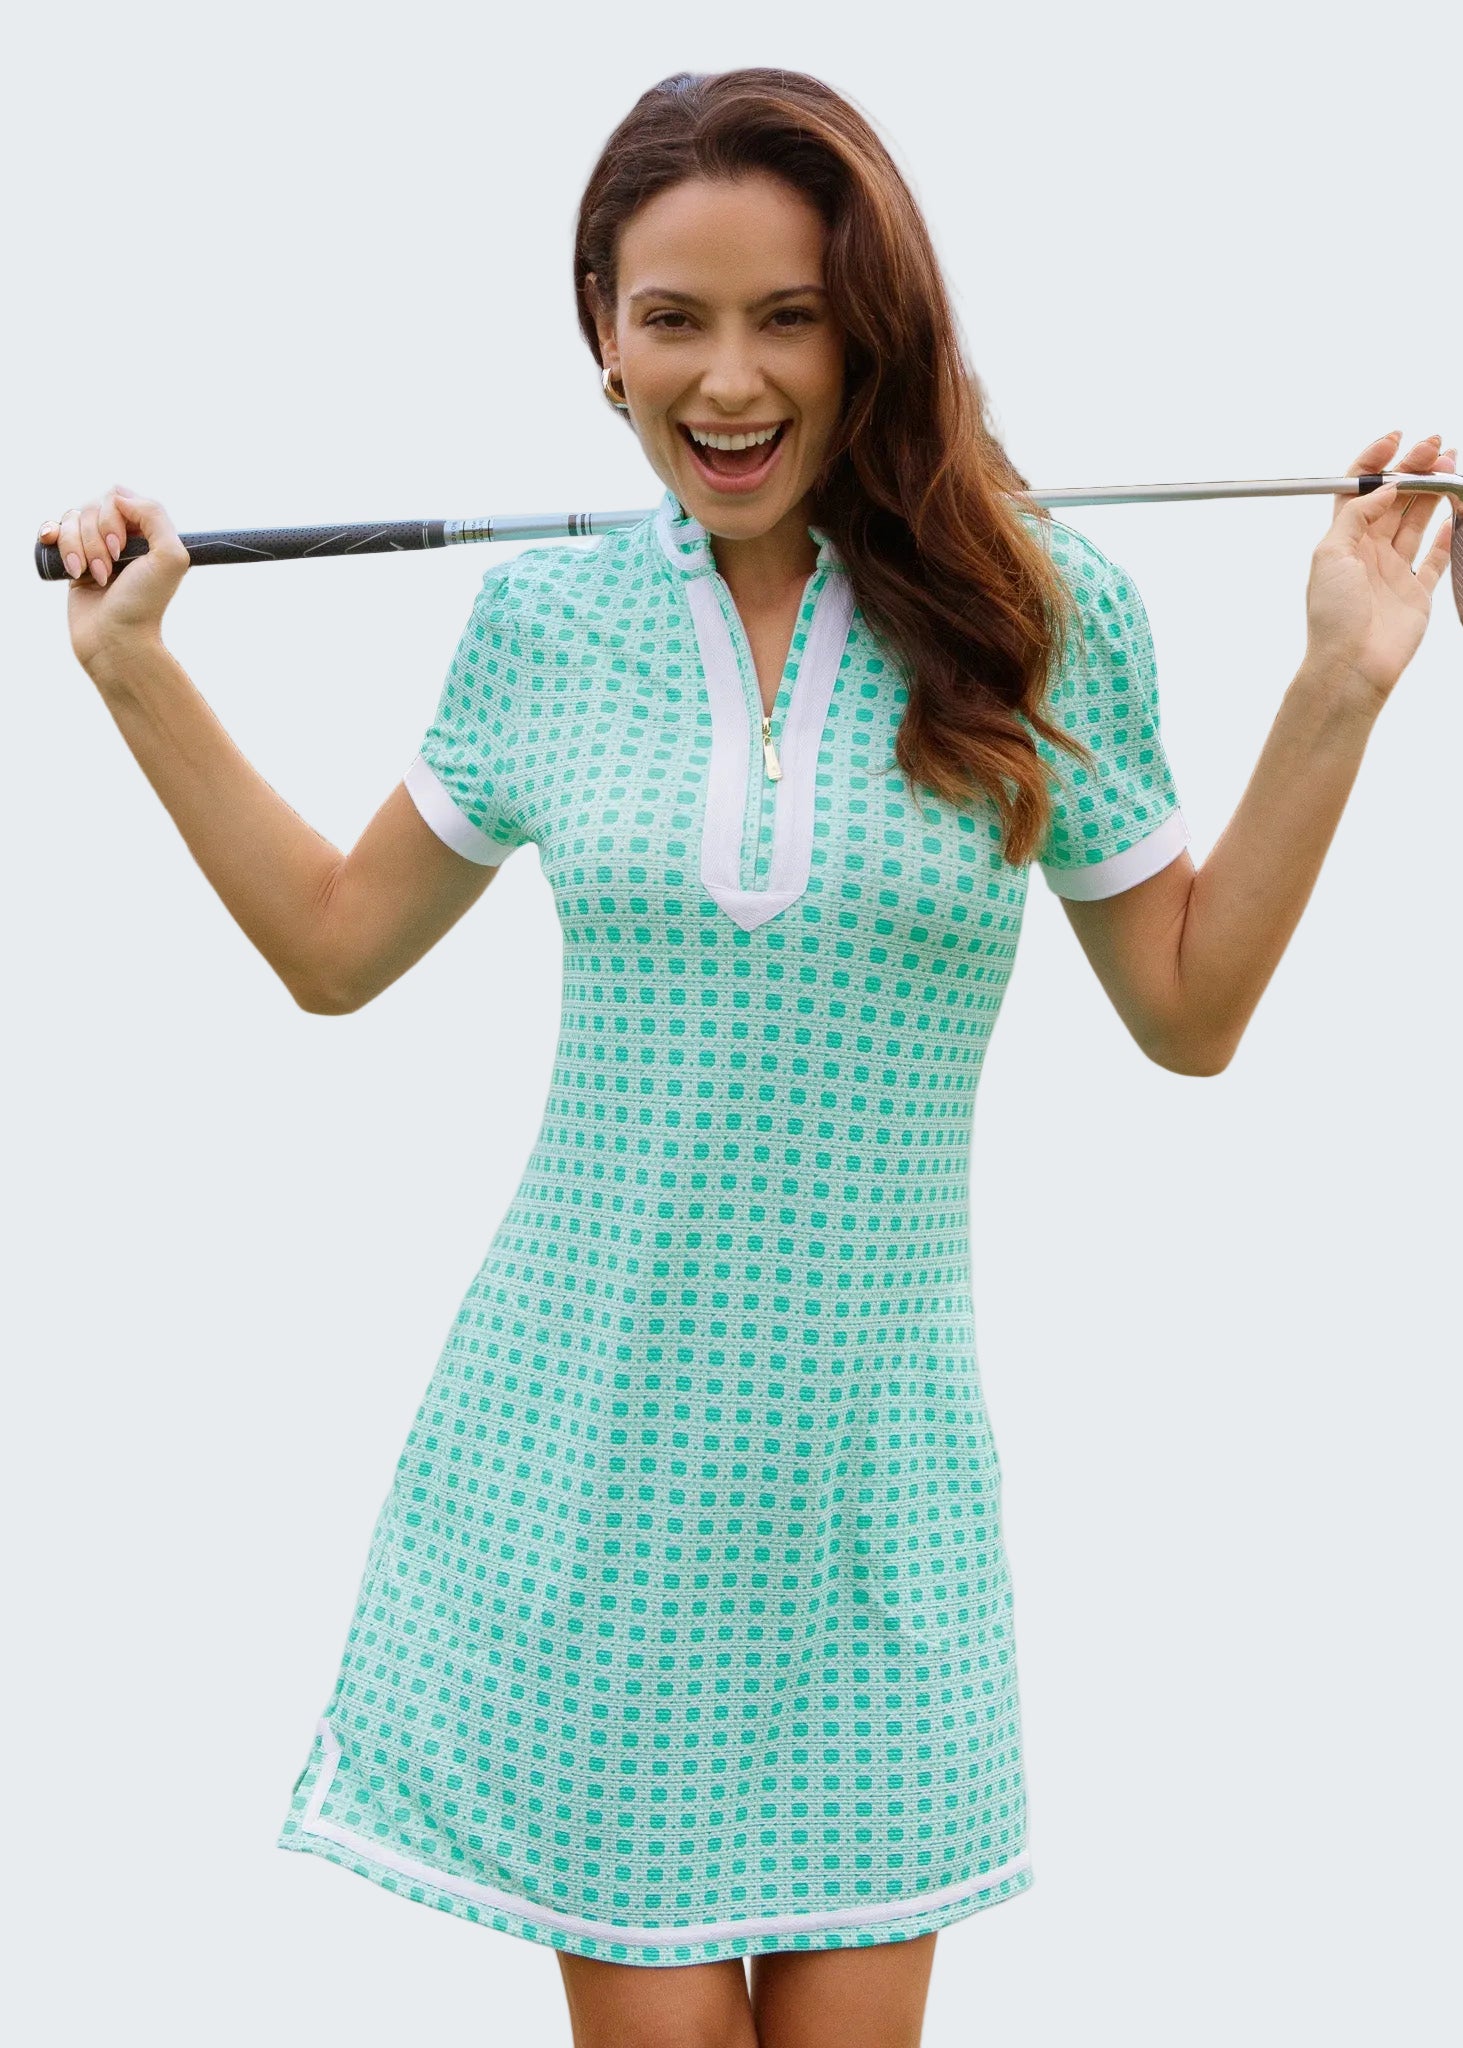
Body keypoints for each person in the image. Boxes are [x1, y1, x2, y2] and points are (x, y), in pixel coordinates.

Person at [42, 63, 1455, 2048]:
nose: (728, 378)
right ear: (600, 337)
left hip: (878, 1508)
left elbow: (1191, 1009)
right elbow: (336, 947)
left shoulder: (1036, 615)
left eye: (788, 315)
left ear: (873, 327)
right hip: (590, 1474)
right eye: (671, 317)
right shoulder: (545, 625)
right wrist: (136, 673)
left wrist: (1341, 680)